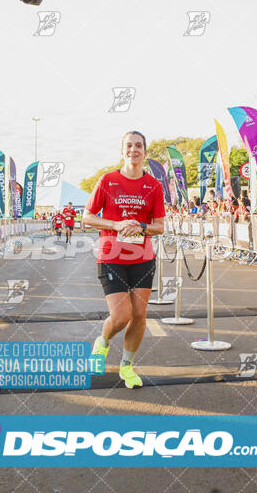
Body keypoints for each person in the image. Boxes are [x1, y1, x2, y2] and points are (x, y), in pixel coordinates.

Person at [83, 131, 165, 389]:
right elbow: (87, 217)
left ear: (145, 152)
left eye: (138, 146)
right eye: (129, 145)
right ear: (122, 151)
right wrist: (116, 225)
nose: (134, 150)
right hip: (111, 256)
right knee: (120, 316)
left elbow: (160, 226)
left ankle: (127, 367)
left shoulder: (154, 186)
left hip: (142, 257)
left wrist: (141, 226)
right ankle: (103, 342)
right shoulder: (107, 180)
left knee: (139, 315)